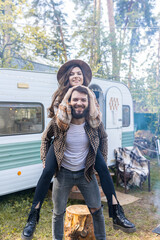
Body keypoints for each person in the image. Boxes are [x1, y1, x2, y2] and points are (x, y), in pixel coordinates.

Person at [21, 60, 135, 240]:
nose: (76, 76)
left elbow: (99, 123)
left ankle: (116, 212)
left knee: (104, 170)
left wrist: (102, 157)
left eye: (79, 74)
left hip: (86, 163)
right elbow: (51, 124)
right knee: (47, 172)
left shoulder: (89, 96)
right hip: (61, 147)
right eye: (72, 74)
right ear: (68, 78)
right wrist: (45, 157)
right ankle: (32, 217)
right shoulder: (60, 96)